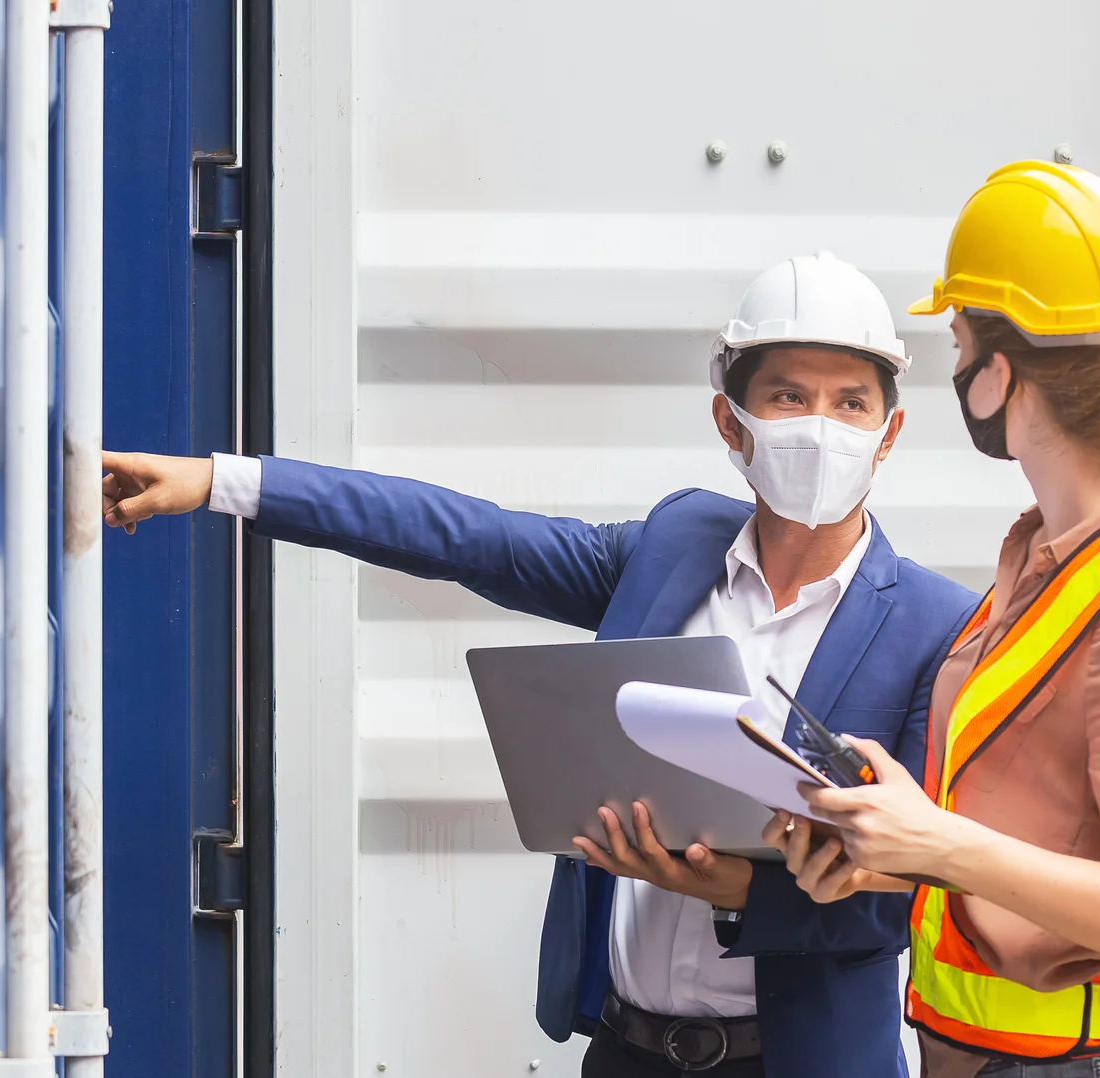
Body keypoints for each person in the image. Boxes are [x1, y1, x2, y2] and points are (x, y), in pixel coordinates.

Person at [101, 253, 978, 1078]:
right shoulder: (671, 547)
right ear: (730, 421)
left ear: (889, 430)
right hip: (626, 1049)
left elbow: (917, 895)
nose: (821, 427)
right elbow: (466, 537)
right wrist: (223, 481)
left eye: (850, 403)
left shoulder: (936, 627)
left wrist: (729, 885)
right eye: (788, 397)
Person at [765, 162, 1100, 1078]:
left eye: (957, 344)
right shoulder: (1043, 560)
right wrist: (888, 850)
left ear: (997, 376)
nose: (954, 369)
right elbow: (1039, 835)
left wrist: (937, 841)